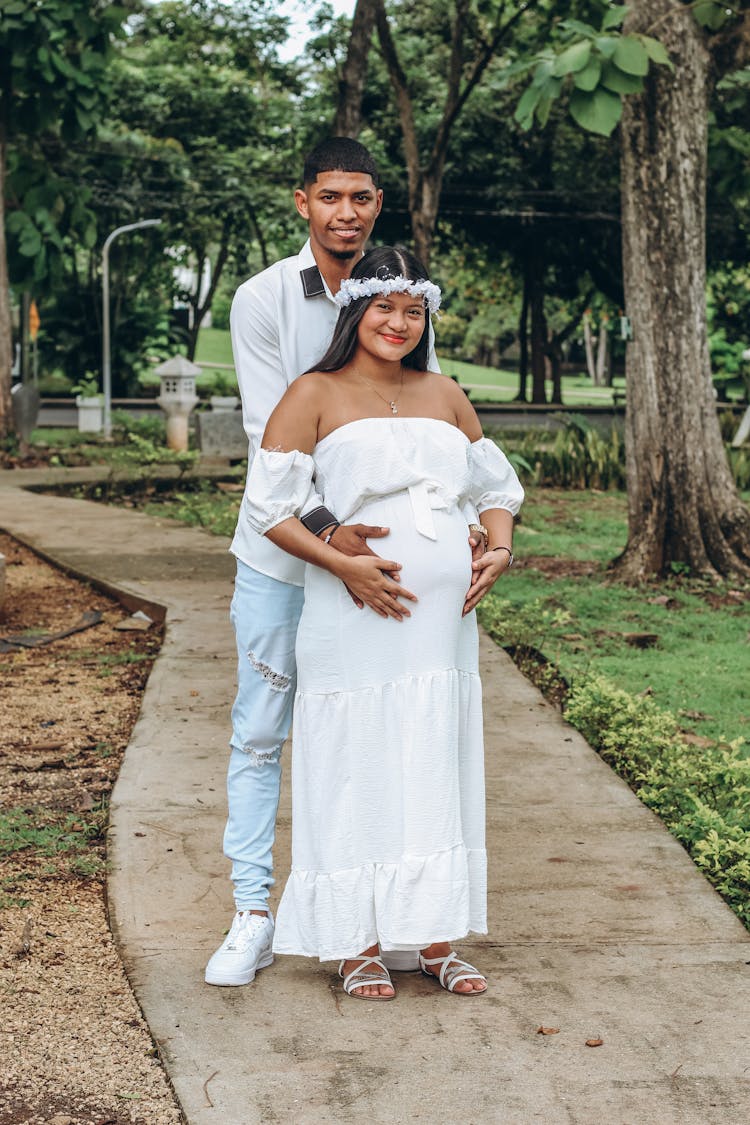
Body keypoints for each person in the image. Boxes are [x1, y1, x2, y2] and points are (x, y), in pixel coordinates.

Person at [243, 246, 524, 1000]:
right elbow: (270, 506)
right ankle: (356, 941)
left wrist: (496, 546)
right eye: (383, 306)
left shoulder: (444, 392)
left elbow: (497, 486)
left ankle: (433, 935)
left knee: (432, 755)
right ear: (355, 310)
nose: (398, 322)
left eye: (413, 310)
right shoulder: (315, 392)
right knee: (358, 757)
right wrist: (344, 564)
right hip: (353, 611)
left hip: (440, 625)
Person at [205, 139, 455, 987]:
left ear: (376, 205)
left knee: (379, 735)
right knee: (261, 733)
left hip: (380, 581)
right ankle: (252, 913)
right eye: (329, 197)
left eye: (360, 198)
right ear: (302, 202)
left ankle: (380, 915)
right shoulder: (264, 298)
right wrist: (332, 535)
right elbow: (266, 433)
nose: (345, 212)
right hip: (286, 563)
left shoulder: (398, 298)